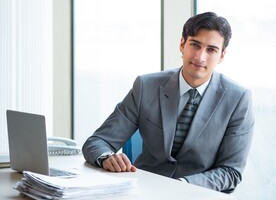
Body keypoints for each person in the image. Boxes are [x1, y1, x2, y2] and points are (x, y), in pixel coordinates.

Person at [82, 12, 254, 193]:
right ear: (182, 44)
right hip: (144, 191)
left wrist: (181, 187)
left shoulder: (238, 99)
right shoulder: (146, 86)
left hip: (197, 194)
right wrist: (106, 157)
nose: (200, 57)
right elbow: (97, 142)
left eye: (211, 50)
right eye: (195, 45)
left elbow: (231, 171)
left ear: (222, 56)